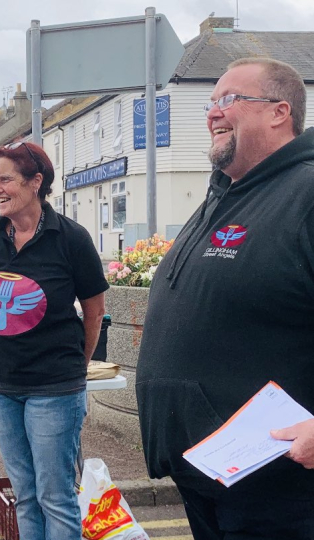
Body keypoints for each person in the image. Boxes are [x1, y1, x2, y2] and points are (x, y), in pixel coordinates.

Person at [137, 57, 314, 540]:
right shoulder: (225, 193)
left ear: (280, 112)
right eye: (211, 102)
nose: (213, 112)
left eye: (229, 99)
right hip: (211, 477)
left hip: (279, 490)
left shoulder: (306, 193)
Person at [0, 141, 108, 540]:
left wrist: (75, 369)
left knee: (56, 496)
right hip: (0, 384)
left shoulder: (71, 238)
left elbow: (94, 311)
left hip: (54, 386)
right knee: (26, 496)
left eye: (6, 180)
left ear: (35, 182)